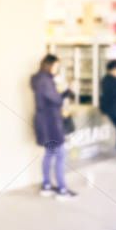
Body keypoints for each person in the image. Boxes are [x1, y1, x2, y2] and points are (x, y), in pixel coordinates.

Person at [32, 54, 77, 200]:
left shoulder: (39, 79)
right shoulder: (45, 80)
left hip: (45, 123)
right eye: (56, 66)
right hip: (51, 124)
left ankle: (46, 185)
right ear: (48, 65)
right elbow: (56, 100)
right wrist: (67, 90)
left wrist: (66, 91)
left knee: (50, 153)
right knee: (60, 155)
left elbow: (53, 98)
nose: (57, 69)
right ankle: (62, 190)